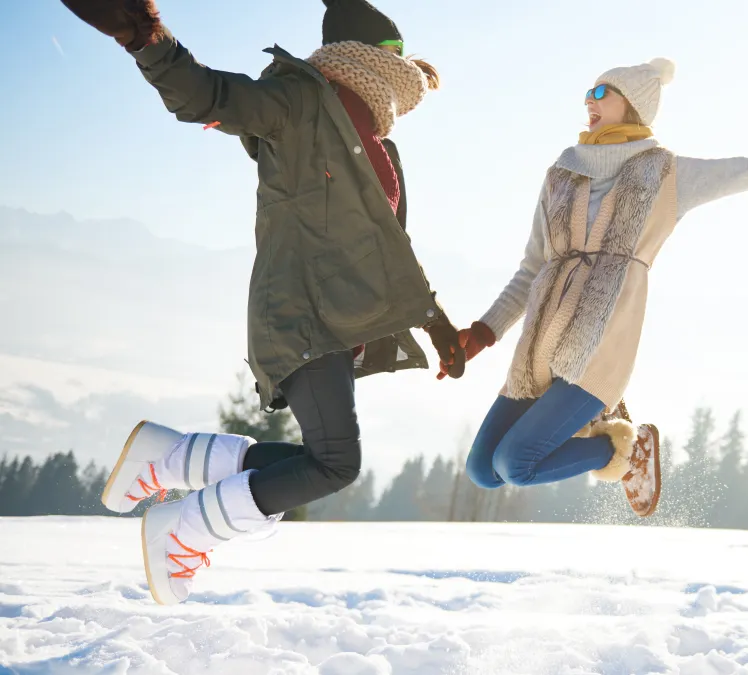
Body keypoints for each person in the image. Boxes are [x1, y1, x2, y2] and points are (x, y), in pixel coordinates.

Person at [59, 0, 465, 605]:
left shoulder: (379, 145)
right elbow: (207, 95)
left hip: (336, 321)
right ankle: (182, 527)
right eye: (398, 55)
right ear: (376, 58)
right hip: (298, 314)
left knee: (322, 458)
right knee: (335, 464)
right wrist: (148, 39)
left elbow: (388, 250)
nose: (408, 72)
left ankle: (172, 457)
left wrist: (436, 322)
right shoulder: (298, 104)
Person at [446, 58, 748, 517]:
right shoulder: (561, 174)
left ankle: (624, 451)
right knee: (483, 469)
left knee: (516, 464)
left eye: (600, 94)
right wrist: (484, 332)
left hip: (601, 346)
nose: (587, 103)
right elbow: (532, 268)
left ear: (632, 103)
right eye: (586, 95)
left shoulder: (666, 174)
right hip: (540, 345)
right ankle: (613, 436)